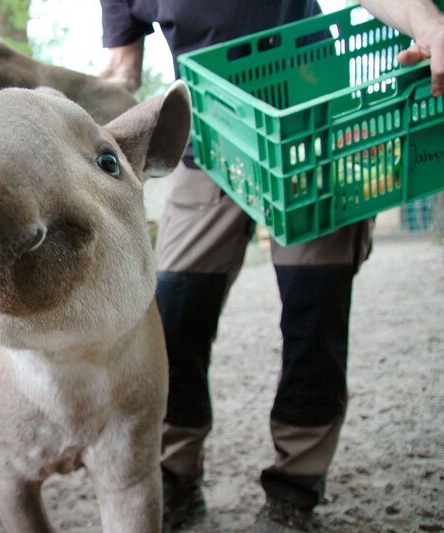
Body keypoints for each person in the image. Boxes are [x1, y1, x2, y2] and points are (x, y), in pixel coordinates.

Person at [97, 0, 444, 531]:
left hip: (310, 130)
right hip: (207, 143)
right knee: (174, 315)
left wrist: (430, 25)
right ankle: (175, 476)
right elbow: (122, 70)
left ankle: (294, 487)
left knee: (314, 309)